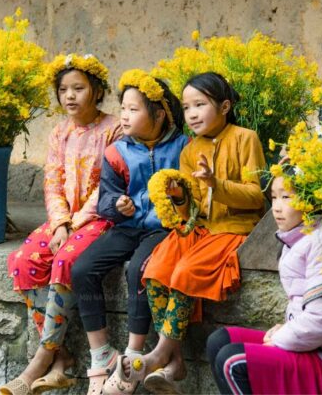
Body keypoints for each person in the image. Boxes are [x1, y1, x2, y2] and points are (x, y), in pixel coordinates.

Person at [114, 72, 266, 393]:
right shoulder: (189, 149)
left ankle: (159, 352)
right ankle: (176, 360)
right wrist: (180, 197)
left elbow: (256, 196)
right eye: (186, 107)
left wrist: (216, 185)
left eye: (200, 104)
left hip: (232, 230)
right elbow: (192, 212)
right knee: (154, 270)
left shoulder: (245, 138)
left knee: (185, 271)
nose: (192, 113)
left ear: (225, 106)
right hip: (199, 231)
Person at [0, 54, 122, 395]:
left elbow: (109, 185)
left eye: (79, 88)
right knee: (25, 261)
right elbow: (52, 182)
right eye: (63, 89)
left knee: (67, 260)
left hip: (100, 218)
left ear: (97, 90)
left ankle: (41, 359)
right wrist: (60, 225)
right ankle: (62, 354)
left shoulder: (114, 128)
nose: (69, 96)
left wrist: (77, 221)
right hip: (64, 221)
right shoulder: (59, 132)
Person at [69, 69, 189, 395]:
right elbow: (106, 198)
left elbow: (192, 193)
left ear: (159, 114)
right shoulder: (117, 151)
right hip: (127, 227)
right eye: (122, 108)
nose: (124, 116)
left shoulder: (183, 147)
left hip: (163, 230)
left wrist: (179, 199)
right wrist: (116, 206)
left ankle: (134, 357)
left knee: (139, 269)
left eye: (133, 109)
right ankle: (102, 353)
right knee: (81, 268)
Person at [206, 173, 322, 394]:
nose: (276, 207)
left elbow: (321, 322)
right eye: (274, 197)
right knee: (220, 340)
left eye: (286, 197)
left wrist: (279, 338)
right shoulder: (298, 238)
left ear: (310, 200)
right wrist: (285, 329)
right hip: (320, 348)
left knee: (234, 362)